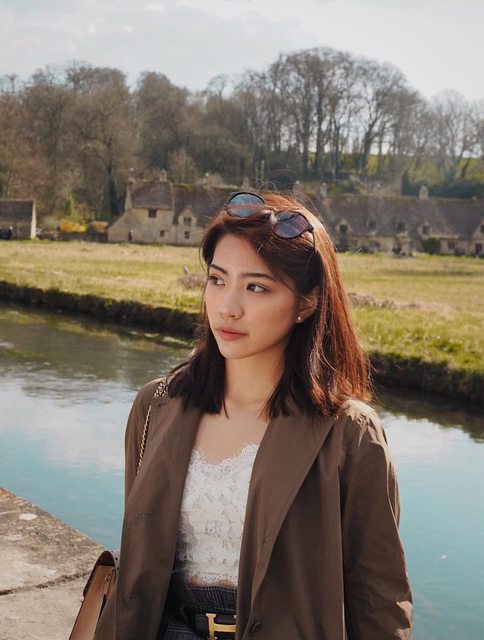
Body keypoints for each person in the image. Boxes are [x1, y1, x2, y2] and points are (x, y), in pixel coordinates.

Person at [95, 191, 413, 640]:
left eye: (256, 287)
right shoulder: (156, 405)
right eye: (217, 279)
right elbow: (139, 557)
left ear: (307, 302)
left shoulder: (348, 433)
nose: (227, 306)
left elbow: (379, 596)